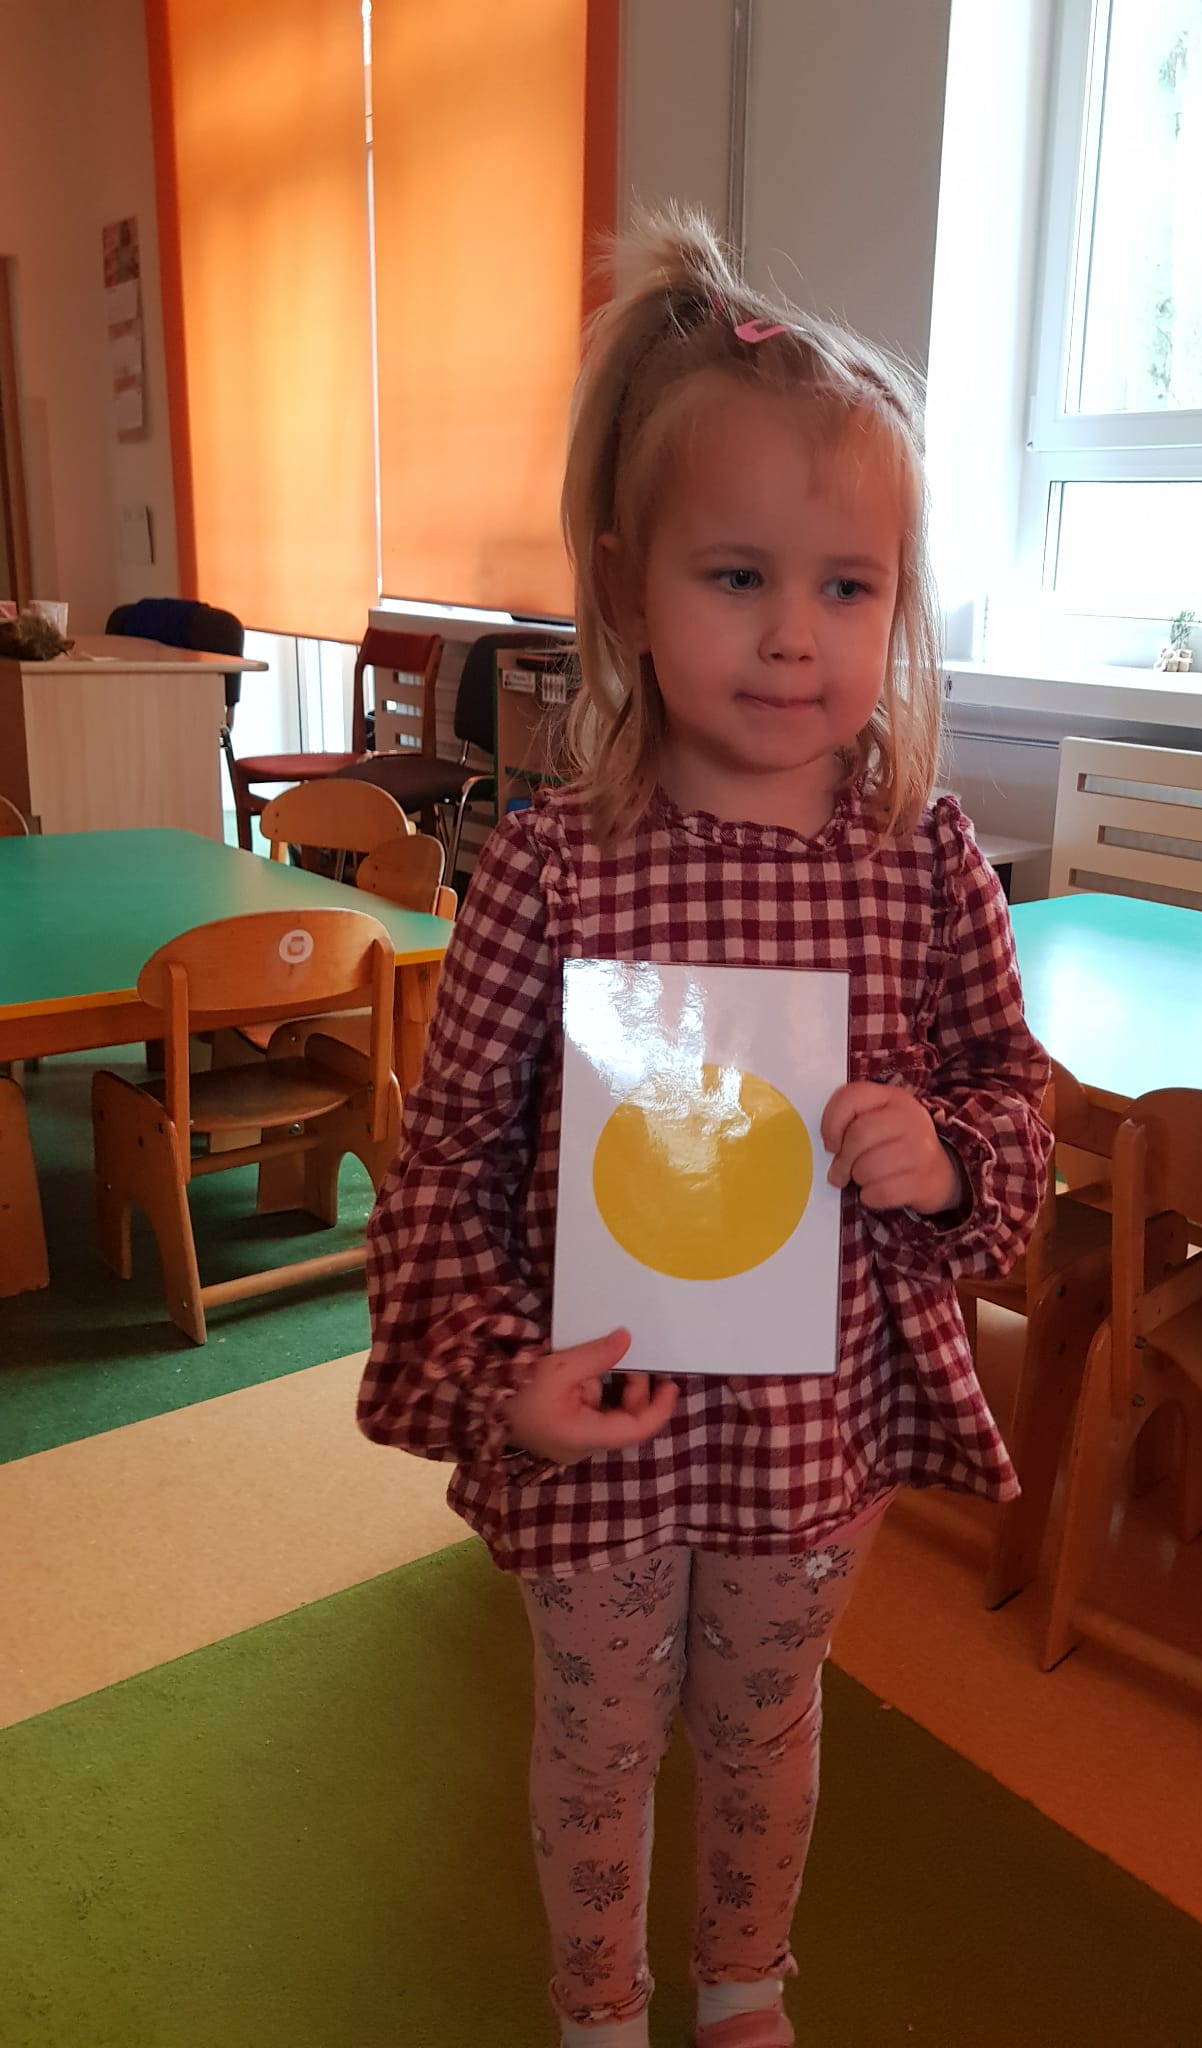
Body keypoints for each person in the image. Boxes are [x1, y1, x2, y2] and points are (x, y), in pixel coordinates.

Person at [359, 208, 1051, 2048]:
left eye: (849, 588)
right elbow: (449, 1161)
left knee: (765, 1726)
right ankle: (599, 2003)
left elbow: (1013, 1093)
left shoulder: (923, 860)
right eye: (736, 576)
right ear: (625, 583)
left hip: (813, 1431)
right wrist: (494, 1374)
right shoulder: (551, 870)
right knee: (597, 1743)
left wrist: (947, 1154)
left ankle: (744, 1982)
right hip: (602, 1421)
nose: (793, 636)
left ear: (898, 605)